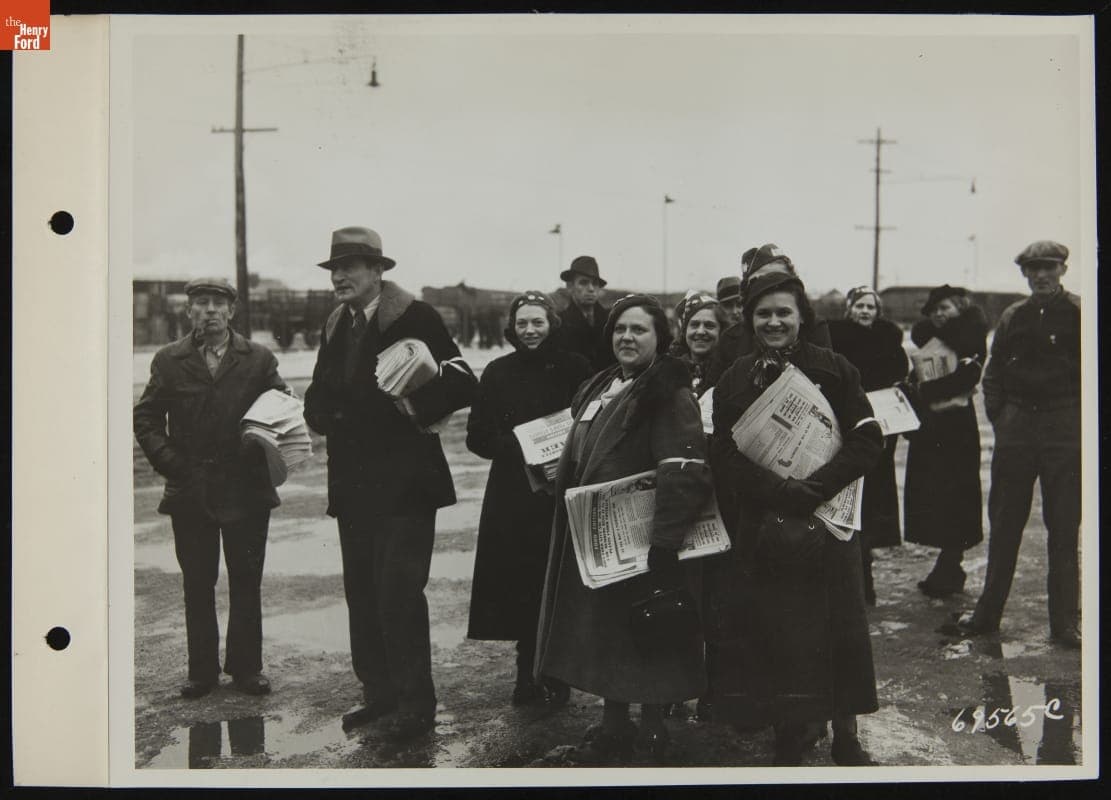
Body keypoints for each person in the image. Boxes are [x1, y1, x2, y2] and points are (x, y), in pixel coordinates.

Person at [302, 226, 477, 739]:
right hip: (353, 485)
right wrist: (321, 415)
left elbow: (464, 378)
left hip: (406, 484)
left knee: (398, 592)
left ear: (378, 271)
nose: (338, 276)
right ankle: (378, 694)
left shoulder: (415, 316)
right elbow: (317, 391)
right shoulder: (335, 323)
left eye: (350, 266)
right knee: (361, 593)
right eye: (334, 268)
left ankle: (415, 704)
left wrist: (412, 406)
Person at [709, 270, 883, 766]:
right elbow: (722, 452)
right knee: (779, 631)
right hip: (766, 523)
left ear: (802, 317)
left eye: (783, 312)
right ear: (749, 320)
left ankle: (846, 735)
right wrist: (780, 490)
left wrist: (818, 487)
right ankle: (790, 731)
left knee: (840, 629)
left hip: (827, 520)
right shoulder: (735, 378)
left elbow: (869, 437)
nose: (773, 321)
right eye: (763, 314)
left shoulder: (835, 369)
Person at [534, 294, 713, 763]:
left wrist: (665, 541)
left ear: (661, 338)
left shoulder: (669, 390)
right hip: (600, 535)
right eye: (620, 329)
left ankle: (653, 728)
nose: (627, 337)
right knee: (607, 632)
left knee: (645, 634)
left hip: (644, 536)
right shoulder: (604, 384)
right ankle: (614, 722)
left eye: (639, 330)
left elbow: (684, 468)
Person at [134, 277, 289, 699]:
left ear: (232, 311)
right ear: (189, 312)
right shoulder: (169, 360)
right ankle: (201, 672)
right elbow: (146, 419)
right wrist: (171, 465)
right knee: (197, 583)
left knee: (246, 579)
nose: (209, 312)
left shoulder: (258, 359)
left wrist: (262, 439)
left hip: (246, 489)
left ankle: (246, 669)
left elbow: (282, 408)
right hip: (191, 490)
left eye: (218, 304)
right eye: (200, 304)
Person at [465, 291, 593, 705]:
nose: (530, 331)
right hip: (513, 494)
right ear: (512, 328)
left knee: (560, 580)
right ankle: (526, 672)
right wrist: (521, 447)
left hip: (562, 487)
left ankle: (558, 672)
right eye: (522, 324)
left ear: (551, 324)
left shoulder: (575, 368)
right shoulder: (498, 371)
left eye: (537, 322)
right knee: (521, 584)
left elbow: (591, 422)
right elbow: (477, 437)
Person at [955, 241, 1081, 648]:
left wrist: (1077, 422)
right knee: (1005, 524)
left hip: (1065, 429)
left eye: (1048, 267)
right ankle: (987, 614)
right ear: (1024, 274)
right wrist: (1003, 418)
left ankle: (1064, 623)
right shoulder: (1013, 316)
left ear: (1062, 269)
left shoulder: (1081, 313)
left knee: (1063, 527)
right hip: (1017, 430)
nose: (1041, 275)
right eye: (1033, 269)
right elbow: (992, 375)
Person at [902, 285, 988, 598]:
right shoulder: (929, 340)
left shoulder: (971, 338)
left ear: (960, 308)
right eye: (935, 310)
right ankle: (948, 565)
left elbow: (967, 379)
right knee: (933, 494)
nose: (940, 314)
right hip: (931, 428)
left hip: (956, 430)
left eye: (946, 308)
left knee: (956, 496)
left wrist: (924, 392)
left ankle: (951, 563)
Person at [827, 286, 909, 605]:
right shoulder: (837, 339)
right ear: (849, 310)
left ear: (878, 311)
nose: (864, 312)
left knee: (872, 505)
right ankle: (850, 577)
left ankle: (867, 578)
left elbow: (900, 378)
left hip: (880, 431)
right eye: (859, 306)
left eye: (870, 307)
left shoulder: (890, 341)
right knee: (846, 501)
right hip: (845, 427)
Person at [707, 244, 832, 387]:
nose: (770, 286)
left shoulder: (814, 328)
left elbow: (826, 380)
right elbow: (712, 392)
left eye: (779, 279)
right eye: (759, 281)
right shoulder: (731, 339)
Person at [553, 255, 615, 370]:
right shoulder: (559, 323)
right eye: (583, 282)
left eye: (595, 283)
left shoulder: (611, 320)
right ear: (570, 286)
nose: (591, 288)